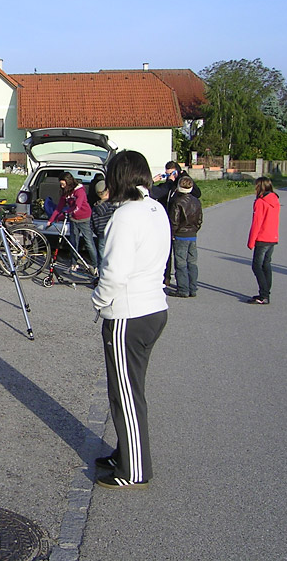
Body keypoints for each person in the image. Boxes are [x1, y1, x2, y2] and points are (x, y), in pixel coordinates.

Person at [91, 150, 170, 490]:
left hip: (129, 312)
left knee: (125, 394)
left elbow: (114, 272)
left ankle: (134, 468)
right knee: (128, 388)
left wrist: (98, 300)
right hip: (153, 308)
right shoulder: (155, 209)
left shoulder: (125, 217)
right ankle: (125, 453)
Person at [151, 161, 201, 288]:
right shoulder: (167, 186)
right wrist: (152, 181)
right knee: (167, 254)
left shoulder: (182, 188)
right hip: (167, 224)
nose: (170, 176)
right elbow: (154, 193)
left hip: (179, 228)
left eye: (172, 173)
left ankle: (186, 286)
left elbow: (197, 193)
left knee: (183, 260)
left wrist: (186, 176)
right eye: (167, 174)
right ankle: (166, 278)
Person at [45, 172, 98, 272]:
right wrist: (51, 220)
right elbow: (59, 207)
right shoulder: (65, 192)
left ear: (68, 182)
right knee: (74, 242)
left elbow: (77, 206)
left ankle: (96, 265)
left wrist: (64, 214)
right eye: (60, 184)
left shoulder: (79, 191)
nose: (61, 186)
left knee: (88, 242)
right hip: (74, 219)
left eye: (63, 184)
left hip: (84, 218)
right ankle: (74, 263)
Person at [168, 176, 203, 298]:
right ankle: (193, 288)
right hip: (192, 235)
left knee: (181, 262)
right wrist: (194, 230)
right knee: (192, 262)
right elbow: (199, 220)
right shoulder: (196, 201)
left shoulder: (177, 202)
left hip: (180, 235)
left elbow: (174, 221)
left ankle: (183, 288)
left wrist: (172, 233)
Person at [247, 176, 280, 305]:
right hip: (272, 237)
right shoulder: (274, 199)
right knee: (266, 265)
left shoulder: (260, 202)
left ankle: (264, 294)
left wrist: (251, 241)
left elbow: (257, 223)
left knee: (257, 266)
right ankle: (265, 293)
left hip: (262, 237)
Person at [89, 179, 118, 267]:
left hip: (101, 234)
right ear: (108, 192)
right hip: (111, 233)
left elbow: (91, 224)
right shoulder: (113, 205)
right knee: (113, 255)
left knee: (102, 256)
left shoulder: (95, 207)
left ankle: (101, 274)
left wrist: (97, 231)